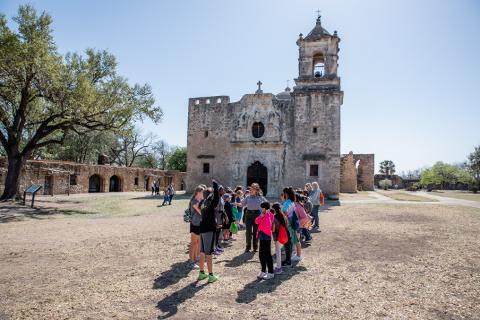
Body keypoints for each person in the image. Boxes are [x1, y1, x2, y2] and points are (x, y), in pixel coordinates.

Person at [198, 180, 220, 283]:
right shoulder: (210, 203)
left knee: (202, 252)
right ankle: (211, 275)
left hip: (202, 229)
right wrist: (215, 185)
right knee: (209, 253)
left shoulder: (202, 203)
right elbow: (217, 197)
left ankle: (202, 273)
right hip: (209, 230)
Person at [241, 183, 266, 253]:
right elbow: (242, 204)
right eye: (251, 188)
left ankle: (255, 246)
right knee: (248, 231)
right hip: (248, 214)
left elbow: (266, 204)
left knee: (256, 232)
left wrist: (266, 210)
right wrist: (236, 204)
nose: (251, 190)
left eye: (252, 189)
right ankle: (248, 246)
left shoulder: (260, 197)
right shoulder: (248, 197)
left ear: (256, 190)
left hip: (257, 215)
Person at [255, 202, 275, 280]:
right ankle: (263, 270)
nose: (261, 209)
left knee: (267, 254)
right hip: (261, 235)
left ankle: (271, 272)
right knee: (261, 254)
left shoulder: (270, 215)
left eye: (262, 208)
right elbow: (256, 221)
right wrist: (261, 216)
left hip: (267, 236)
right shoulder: (262, 214)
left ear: (266, 208)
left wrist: (266, 215)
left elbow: (269, 224)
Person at [189, 186, 204, 268]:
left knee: (197, 242)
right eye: (203, 192)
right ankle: (191, 261)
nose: (204, 194)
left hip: (199, 223)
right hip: (195, 223)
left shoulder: (199, 200)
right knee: (193, 243)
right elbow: (201, 212)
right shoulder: (194, 201)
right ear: (198, 193)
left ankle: (195, 259)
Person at [272, 202, 288, 274]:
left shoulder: (275, 217)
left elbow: (273, 229)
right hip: (283, 236)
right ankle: (279, 267)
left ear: (274, 209)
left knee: (278, 253)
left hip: (277, 237)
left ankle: (279, 268)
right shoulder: (283, 216)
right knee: (279, 252)